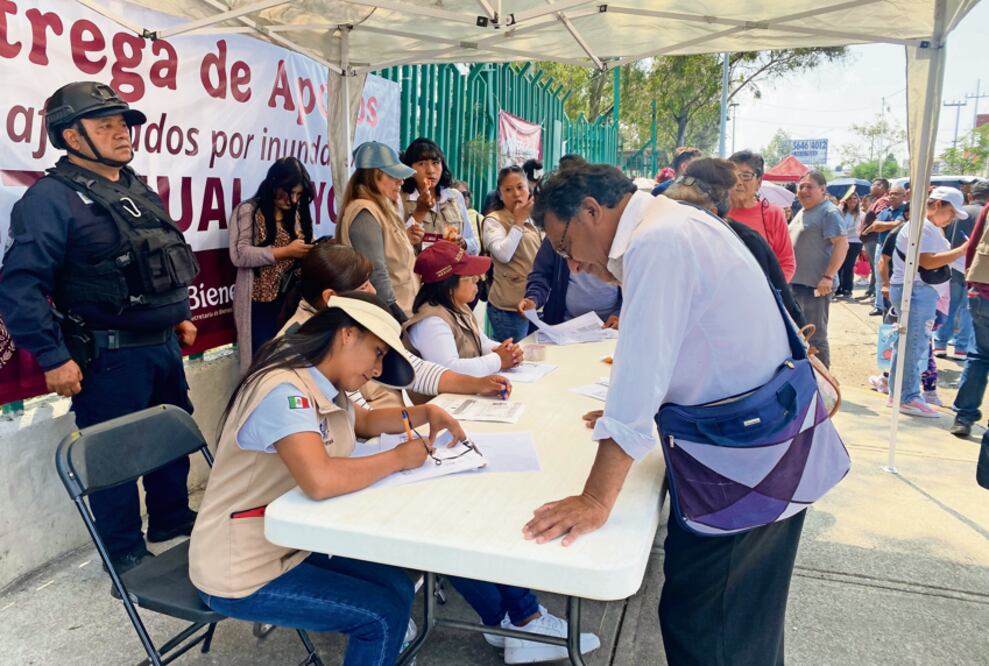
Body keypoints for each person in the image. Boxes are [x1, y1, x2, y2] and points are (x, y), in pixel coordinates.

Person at [523, 163, 802, 666]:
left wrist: (595, 498)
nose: (573, 266)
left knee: (709, 624)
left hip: (739, 455)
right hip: (753, 444)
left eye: (564, 246)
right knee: (740, 623)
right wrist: (629, 410)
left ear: (591, 211)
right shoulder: (672, 222)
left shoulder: (657, 241)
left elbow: (640, 371)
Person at [190, 292, 462, 665]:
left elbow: (364, 422)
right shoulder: (284, 390)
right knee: (380, 617)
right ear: (347, 334)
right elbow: (320, 479)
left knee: (399, 586)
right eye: (377, 353)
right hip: (242, 566)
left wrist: (423, 413)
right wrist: (399, 458)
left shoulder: (324, 382)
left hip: (289, 543)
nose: (377, 370)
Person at [0, 82, 199, 572]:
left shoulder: (133, 186)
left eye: (123, 123)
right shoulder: (50, 199)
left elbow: (157, 257)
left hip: (161, 348)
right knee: (114, 455)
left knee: (170, 440)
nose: (121, 133)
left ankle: (171, 518)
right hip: (109, 357)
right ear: (71, 136)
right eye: (105, 125)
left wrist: (179, 314)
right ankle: (124, 552)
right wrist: (53, 356)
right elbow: (20, 286)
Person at [282, 241, 512, 407]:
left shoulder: (349, 319)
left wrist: (478, 384)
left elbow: (417, 369)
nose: (373, 291)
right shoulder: (305, 341)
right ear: (330, 297)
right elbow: (356, 417)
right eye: (363, 287)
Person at [667, 159, 805, 328]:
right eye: (736, 177)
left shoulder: (749, 237)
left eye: (745, 176)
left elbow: (782, 276)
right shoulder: (670, 236)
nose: (739, 183)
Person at [886, 187, 970, 418]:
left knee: (908, 345)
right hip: (916, 291)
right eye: (951, 212)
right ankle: (908, 396)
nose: (952, 218)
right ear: (938, 204)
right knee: (914, 345)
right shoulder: (924, 228)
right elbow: (928, 261)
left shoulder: (928, 228)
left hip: (917, 290)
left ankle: (900, 393)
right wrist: (962, 249)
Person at [229, 157, 315, 372]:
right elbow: (239, 254)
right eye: (289, 192)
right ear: (274, 184)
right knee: (261, 365)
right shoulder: (248, 211)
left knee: (287, 364)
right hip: (258, 304)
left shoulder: (295, 212)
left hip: (289, 301)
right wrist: (285, 252)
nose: (293, 200)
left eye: (298, 195)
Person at [404, 241, 522, 395]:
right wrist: (499, 359)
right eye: (470, 277)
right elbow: (450, 371)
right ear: (449, 286)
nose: (477, 281)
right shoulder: (431, 322)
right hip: (440, 403)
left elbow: (482, 342)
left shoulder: (460, 307)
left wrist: (508, 352)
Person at [336, 141, 419, 322]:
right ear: (375, 175)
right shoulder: (365, 212)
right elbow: (375, 271)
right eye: (393, 175)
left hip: (403, 311)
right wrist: (395, 314)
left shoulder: (382, 207)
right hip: (385, 317)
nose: (401, 181)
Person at [788, 171, 849, 368]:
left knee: (816, 336)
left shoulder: (828, 212)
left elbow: (841, 244)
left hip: (815, 286)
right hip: (797, 283)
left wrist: (828, 276)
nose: (804, 190)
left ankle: (823, 380)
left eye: (810, 186)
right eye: (801, 187)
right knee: (800, 334)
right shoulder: (804, 211)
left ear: (823, 189)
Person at [482, 165, 542, 343]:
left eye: (520, 187)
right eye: (508, 190)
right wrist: (518, 221)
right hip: (508, 308)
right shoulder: (493, 221)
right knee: (515, 355)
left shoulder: (535, 218)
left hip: (534, 304)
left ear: (528, 188)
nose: (516, 194)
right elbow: (504, 254)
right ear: (500, 195)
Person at [951, 182, 989, 437]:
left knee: (979, 356)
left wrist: (971, 280)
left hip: (983, 289)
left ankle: (964, 417)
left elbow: (973, 246)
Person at [518, 236, 622, 327]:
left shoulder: (617, 236)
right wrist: (533, 299)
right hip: (565, 323)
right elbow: (541, 273)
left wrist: (619, 314)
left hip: (609, 326)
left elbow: (630, 285)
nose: (575, 268)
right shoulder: (557, 233)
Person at [399, 138, 479, 254]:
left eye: (436, 163)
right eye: (422, 164)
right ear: (409, 169)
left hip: (451, 265)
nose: (430, 171)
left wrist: (464, 243)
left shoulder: (455, 197)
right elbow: (396, 246)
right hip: (416, 265)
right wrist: (419, 212)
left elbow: (474, 245)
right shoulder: (400, 198)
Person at [727, 150, 797, 281]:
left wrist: (771, 289)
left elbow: (787, 263)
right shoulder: (716, 212)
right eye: (732, 175)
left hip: (762, 290)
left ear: (759, 182)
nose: (738, 182)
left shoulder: (773, 214)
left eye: (745, 176)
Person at [934, 181, 984, 359]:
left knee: (948, 305)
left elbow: (945, 237)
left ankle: (940, 344)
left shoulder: (958, 212)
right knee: (968, 310)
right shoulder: (984, 214)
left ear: (970, 196)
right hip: (976, 270)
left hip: (953, 264)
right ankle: (961, 347)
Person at [863, 184, 907, 315]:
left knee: (896, 277)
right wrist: (883, 225)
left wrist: (880, 225)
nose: (892, 196)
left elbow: (898, 224)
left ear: (904, 196)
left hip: (898, 249)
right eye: (890, 193)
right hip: (881, 246)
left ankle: (894, 306)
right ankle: (880, 306)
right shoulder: (885, 211)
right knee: (880, 276)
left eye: (896, 194)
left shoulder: (905, 210)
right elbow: (875, 226)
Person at [836, 189, 864, 298]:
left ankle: (847, 289)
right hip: (840, 241)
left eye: (855, 198)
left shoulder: (861, 214)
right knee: (839, 265)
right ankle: (837, 288)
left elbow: (857, 229)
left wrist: (842, 232)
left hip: (854, 242)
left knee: (848, 265)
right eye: (850, 198)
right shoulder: (841, 212)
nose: (852, 200)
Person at [452, 179, 483, 245]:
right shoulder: (443, 215)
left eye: (467, 194)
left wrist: (465, 243)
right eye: (462, 194)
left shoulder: (477, 217)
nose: (466, 197)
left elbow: (477, 246)